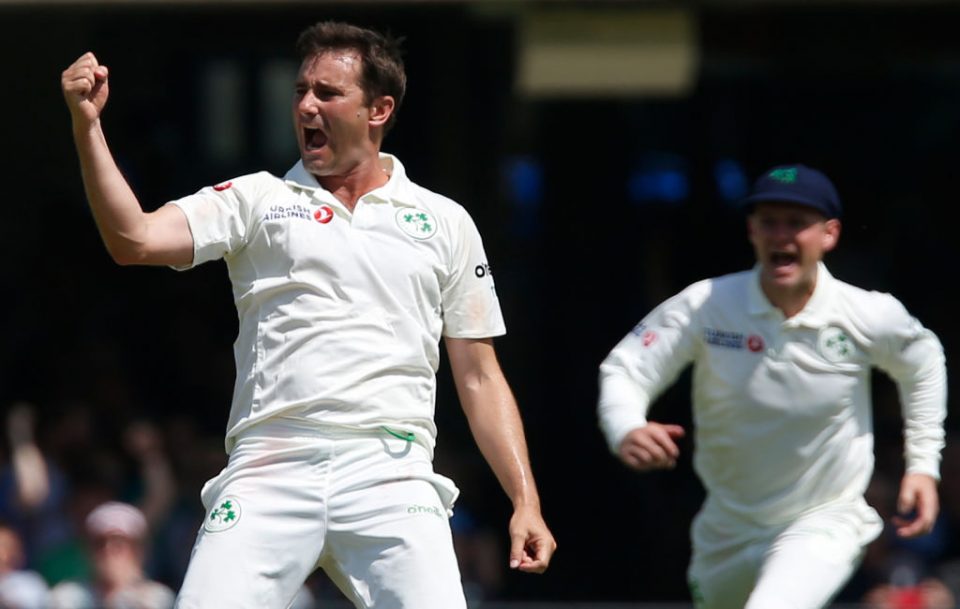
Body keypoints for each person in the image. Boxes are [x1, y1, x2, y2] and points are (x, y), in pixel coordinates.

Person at [61, 19, 555, 609]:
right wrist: (87, 126)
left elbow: (478, 375)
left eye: (328, 92)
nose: (306, 106)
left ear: (379, 109)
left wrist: (524, 499)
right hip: (270, 463)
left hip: (392, 469)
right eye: (300, 91)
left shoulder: (445, 221)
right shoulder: (256, 199)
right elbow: (133, 239)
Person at [597, 164, 947, 609]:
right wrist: (626, 425)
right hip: (725, 530)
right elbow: (627, 367)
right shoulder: (708, 305)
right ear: (752, 231)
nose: (781, 236)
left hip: (824, 518)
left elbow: (924, 361)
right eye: (769, 222)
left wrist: (922, 464)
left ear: (829, 234)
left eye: (797, 224)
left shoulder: (867, 314)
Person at [48, 501, 174, 609]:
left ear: (139, 550)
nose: (108, 551)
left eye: (118, 543)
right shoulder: (67, 597)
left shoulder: (158, 599)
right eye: (99, 543)